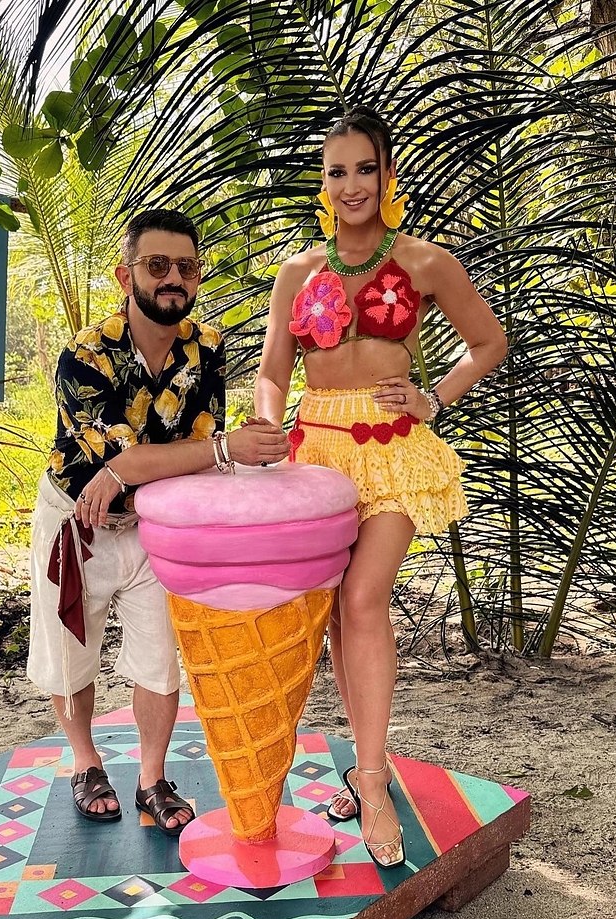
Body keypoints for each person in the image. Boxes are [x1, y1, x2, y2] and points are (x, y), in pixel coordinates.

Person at [254, 109, 507, 868]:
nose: (351, 185)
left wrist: (436, 398)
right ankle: (368, 758)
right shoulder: (298, 272)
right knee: (336, 610)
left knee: (363, 597)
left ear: (387, 175)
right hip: (315, 450)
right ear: (323, 184)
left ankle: (368, 779)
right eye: (337, 172)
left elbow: (488, 341)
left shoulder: (424, 261)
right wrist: (267, 429)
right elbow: (273, 372)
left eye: (365, 168)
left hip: (391, 448)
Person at [28, 208, 290, 836]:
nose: (174, 277)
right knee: (71, 654)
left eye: (186, 267)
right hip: (77, 523)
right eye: (157, 265)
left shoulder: (208, 348)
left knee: (159, 660)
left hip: (156, 525)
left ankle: (152, 777)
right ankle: (86, 762)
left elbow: (189, 451)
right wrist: (212, 451)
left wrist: (195, 458)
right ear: (127, 276)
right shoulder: (84, 356)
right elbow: (132, 457)